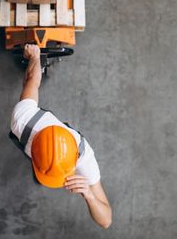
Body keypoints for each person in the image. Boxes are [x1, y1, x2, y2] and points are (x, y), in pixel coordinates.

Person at [9, 44, 112, 229]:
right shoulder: (22, 120)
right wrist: (35, 58)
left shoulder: (85, 159)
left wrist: (89, 194)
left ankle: (41, 170)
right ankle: (40, 170)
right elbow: (32, 80)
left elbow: (106, 220)